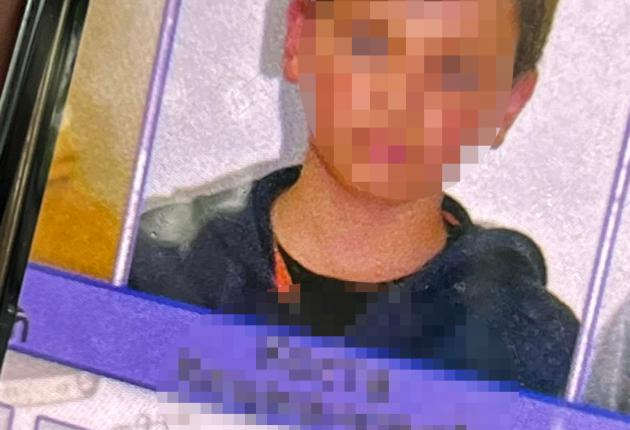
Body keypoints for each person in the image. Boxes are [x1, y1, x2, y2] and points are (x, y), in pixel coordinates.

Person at [129, 0, 578, 396]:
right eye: (372, 41)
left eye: (454, 67)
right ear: (299, 38)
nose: (404, 96)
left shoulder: (538, 358)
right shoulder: (145, 274)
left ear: (509, 105)